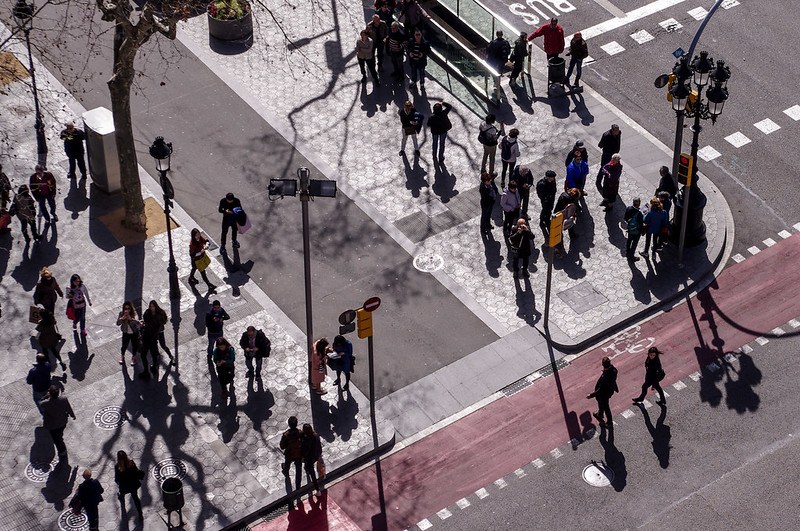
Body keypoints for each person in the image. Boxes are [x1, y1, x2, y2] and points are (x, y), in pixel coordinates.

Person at [39, 385, 75, 459]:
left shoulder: (46, 403)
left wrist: (46, 396)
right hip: (63, 422)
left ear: (50, 393)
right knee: (59, 434)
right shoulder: (63, 399)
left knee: (57, 440)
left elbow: (40, 402)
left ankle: (62, 451)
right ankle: (60, 437)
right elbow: (68, 408)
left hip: (52, 426)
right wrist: (72, 415)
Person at [586, 356, 618, 429]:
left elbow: (600, 390)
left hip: (603, 394)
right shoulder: (614, 370)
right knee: (601, 404)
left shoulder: (605, 376)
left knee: (606, 407)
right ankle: (600, 414)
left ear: (603, 365)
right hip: (610, 391)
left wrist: (591, 395)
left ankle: (609, 422)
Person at [142, 300, 173, 374]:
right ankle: (156, 359)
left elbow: (164, 320)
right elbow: (146, 320)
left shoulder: (160, 313)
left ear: (156, 306)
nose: (152, 308)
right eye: (150, 306)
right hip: (152, 333)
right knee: (154, 347)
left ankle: (170, 356)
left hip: (159, 332)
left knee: (163, 345)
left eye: (153, 306)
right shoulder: (147, 313)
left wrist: (158, 327)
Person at [114, 451, 144, 520]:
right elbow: (136, 471)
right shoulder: (131, 463)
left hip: (124, 486)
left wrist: (117, 482)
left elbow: (117, 478)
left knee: (122, 494)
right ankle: (140, 514)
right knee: (136, 498)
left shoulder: (117, 467)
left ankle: (121, 498)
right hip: (133, 485)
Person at [280, 416, 303, 494]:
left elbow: (282, 446)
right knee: (298, 469)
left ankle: (286, 472)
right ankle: (298, 486)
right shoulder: (300, 432)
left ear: (289, 424)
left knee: (287, 463)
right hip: (299, 454)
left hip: (289, 453)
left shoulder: (286, 435)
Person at [596, 124, 622, 189]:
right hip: (607, 155)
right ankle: (598, 182)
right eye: (616, 130)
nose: (617, 132)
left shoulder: (619, 133)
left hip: (614, 154)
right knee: (603, 168)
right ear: (612, 130)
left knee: (614, 168)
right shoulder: (606, 135)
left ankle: (610, 181)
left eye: (618, 130)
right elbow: (600, 145)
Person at [117, 301, 141, 367]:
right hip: (126, 333)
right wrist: (122, 318)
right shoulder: (121, 314)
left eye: (128, 308)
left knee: (134, 345)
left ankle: (134, 357)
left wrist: (131, 319)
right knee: (124, 345)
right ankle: (122, 356)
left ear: (131, 308)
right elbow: (117, 323)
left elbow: (138, 323)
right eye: (125, 308)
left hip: (134, 333)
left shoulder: (134, 313)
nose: (127, 310)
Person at [301, 423, 323, 494]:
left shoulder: (306, 440)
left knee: (312, 474)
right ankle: (307, 469)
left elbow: (305, 451)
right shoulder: (315, 435)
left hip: (309, 459)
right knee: (309, 469)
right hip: (315, 456)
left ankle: (317, 489)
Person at [536, 170, 557, 240]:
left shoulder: (553, 181)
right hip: (545, 200)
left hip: (551, 199)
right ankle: (542, 221)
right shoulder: (541, 184)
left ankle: (547, 219)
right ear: (548, 177)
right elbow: (540, 193)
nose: (553, 179)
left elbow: (554, 188)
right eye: (552, 177)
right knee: (545, 210)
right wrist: (545, 198)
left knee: (549, 209)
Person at [624, 198, 644, 262]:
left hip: (630, 229)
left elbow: (625, 218)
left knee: (629, 240)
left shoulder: (628, 208)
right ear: (639, 204)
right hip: (637, 231)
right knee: (634, 244)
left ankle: (627, 252)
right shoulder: (640, 213)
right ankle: (631, 256)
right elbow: (641, 224)